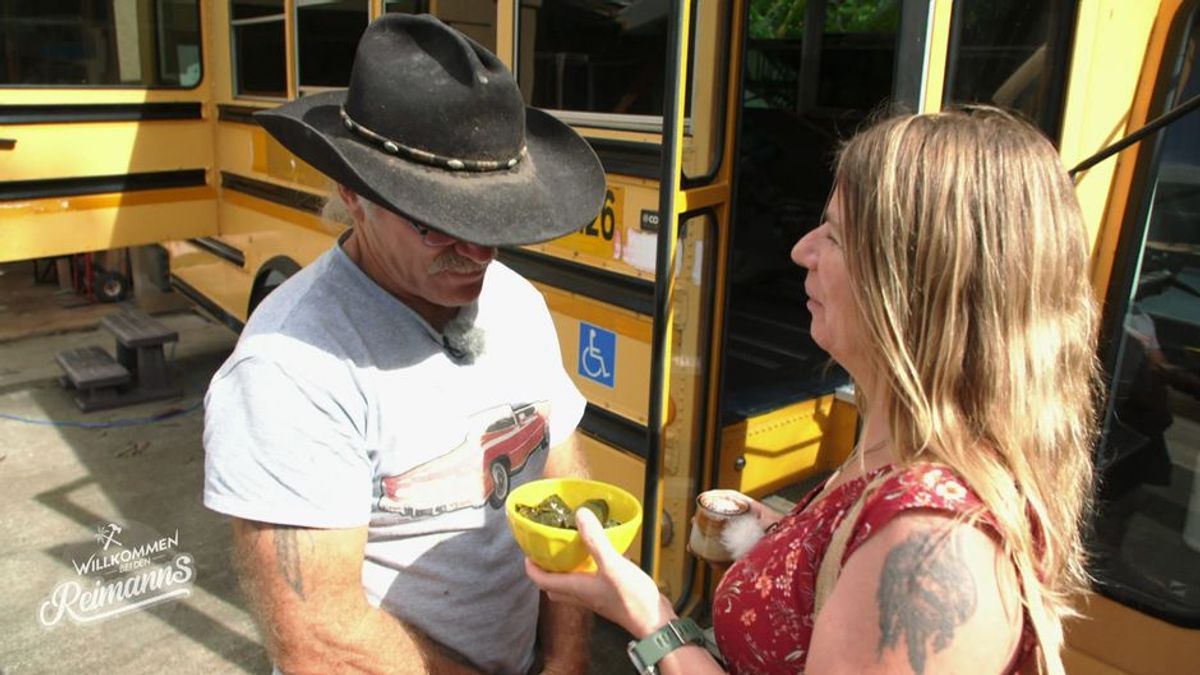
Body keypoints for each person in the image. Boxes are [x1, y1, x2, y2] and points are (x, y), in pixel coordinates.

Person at [527, 107, 1101, 675]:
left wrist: (653, 621)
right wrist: (779, 541)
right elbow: (848, 564)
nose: (803, 251)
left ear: (918, 288)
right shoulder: (902, 440)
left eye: (836, 236)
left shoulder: (931, 551)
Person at [202, 14, 607, 675]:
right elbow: (322, 640)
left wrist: (564, 654)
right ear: (352, 195)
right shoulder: (291, 366)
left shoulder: (518, 304)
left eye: (493, 222)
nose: (477, 253)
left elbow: (559, 468)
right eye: (439, 224)